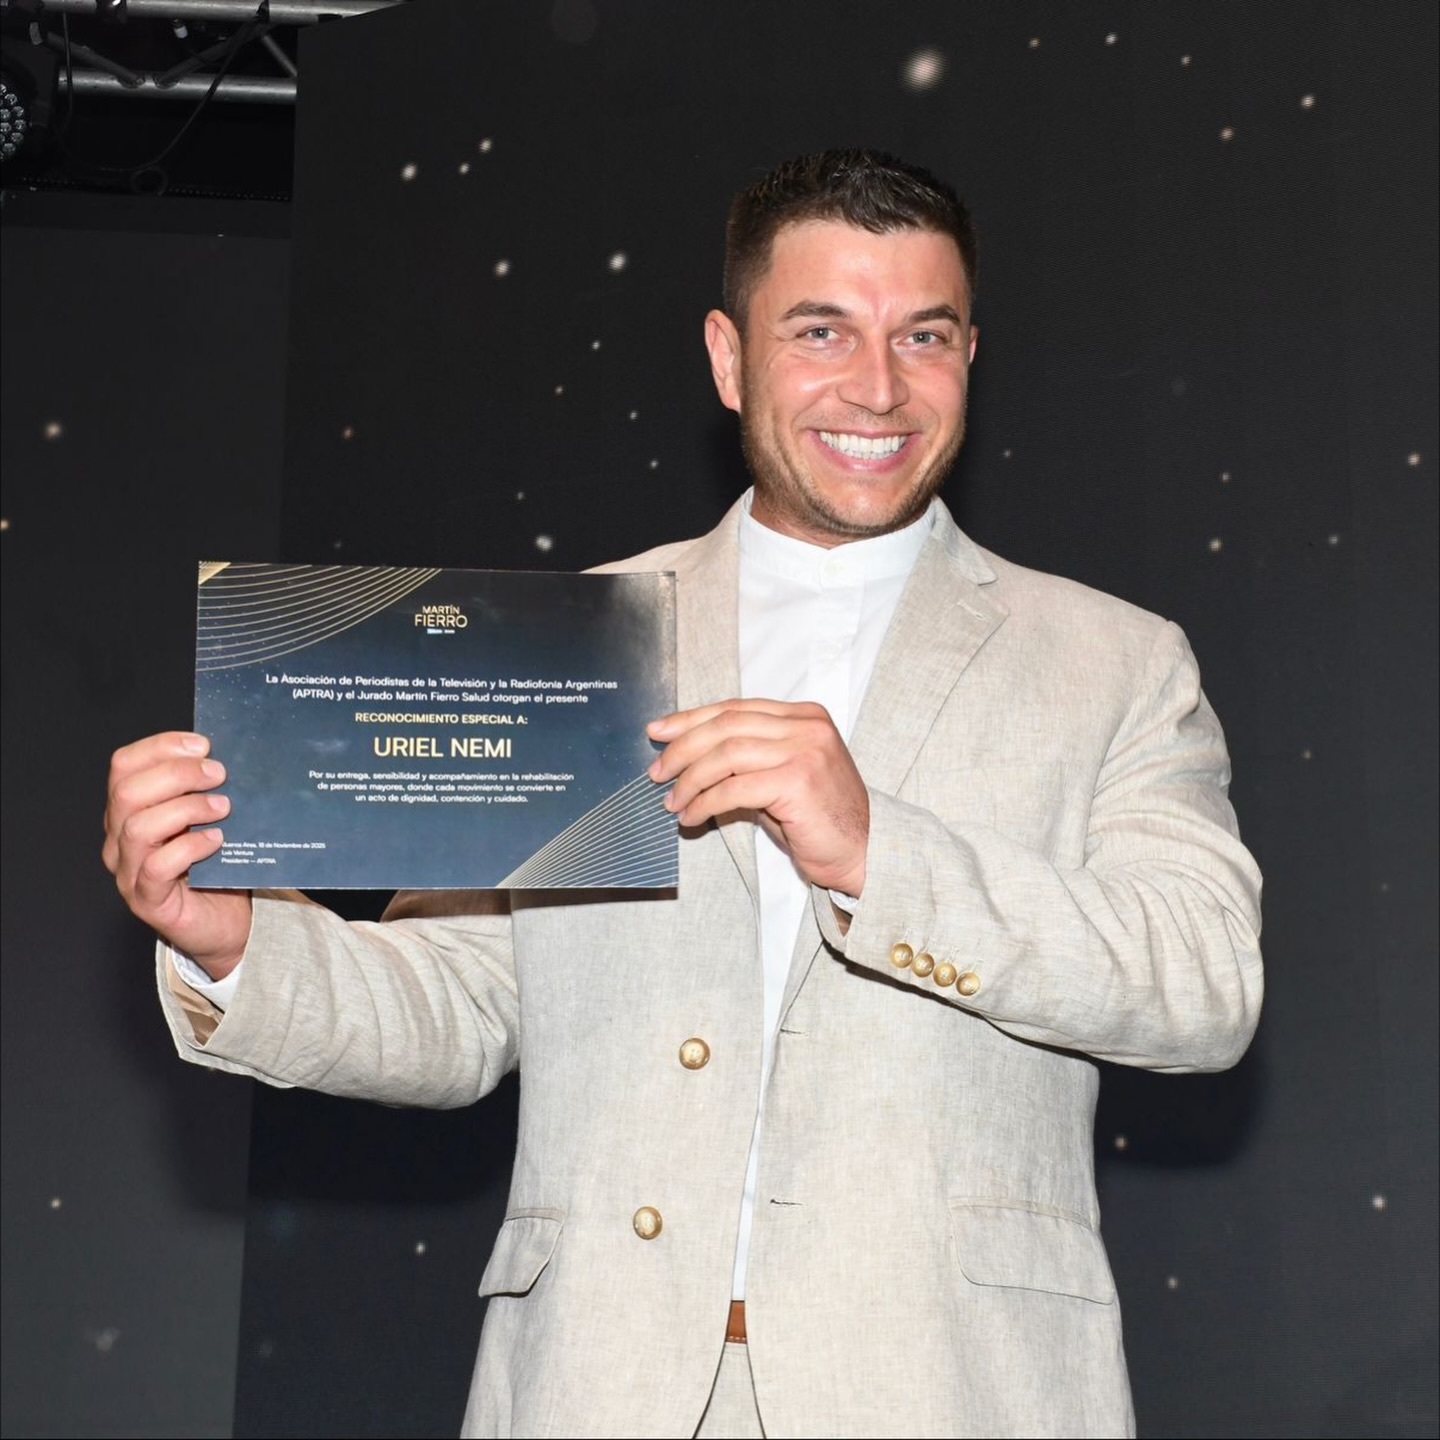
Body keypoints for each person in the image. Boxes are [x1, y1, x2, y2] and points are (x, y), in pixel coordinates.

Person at [103, 149, 1263, 1439]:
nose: (877, 388)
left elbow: (1205, 984)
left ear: (970, 355)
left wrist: (879, 852)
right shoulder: (577, 641)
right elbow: (462, 1005)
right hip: (596, 1386)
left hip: (953, 1388)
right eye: (821, 330)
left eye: (922, 337)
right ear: (729, 359)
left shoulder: (1112, 660)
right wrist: (234, 940)